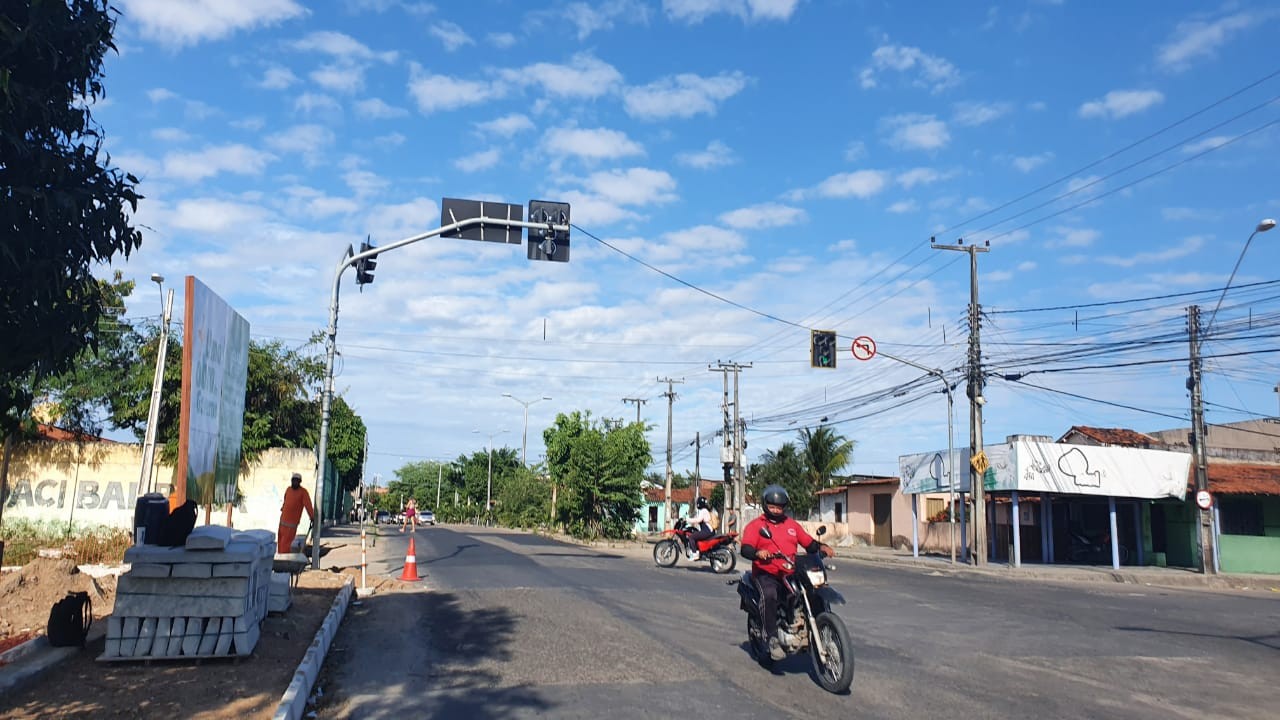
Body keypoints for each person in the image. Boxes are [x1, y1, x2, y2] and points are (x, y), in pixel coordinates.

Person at [739, 484, 835, 661]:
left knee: (811, 591)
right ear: (765, 505)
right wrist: (758, 553)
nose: (776, 510)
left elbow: (808, 544)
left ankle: (815, 629)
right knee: (769, 595)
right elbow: (745, 549)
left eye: (779, 506)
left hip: (789, 571)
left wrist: (822, 546)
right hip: (765, 573)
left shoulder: (792, 525)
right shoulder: (756, 525)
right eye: (772, 506)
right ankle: (772, 638)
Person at [278, 472, 315, 555]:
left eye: (297, 481)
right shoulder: (288, 489)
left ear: (300, 482)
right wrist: (283, 509)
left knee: (286, 543)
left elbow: (308, 505)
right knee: (280, 541)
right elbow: (285, 501)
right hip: (282, 521)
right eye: (293, 480)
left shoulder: (303, 492)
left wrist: (312, 517)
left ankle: (284, 558)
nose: (294, 482)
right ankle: (280, 557)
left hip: (291, 524)